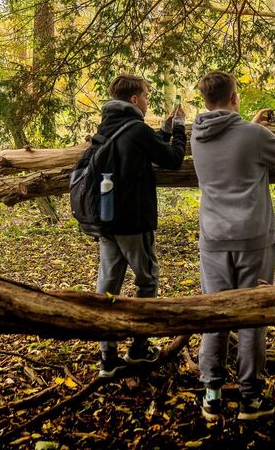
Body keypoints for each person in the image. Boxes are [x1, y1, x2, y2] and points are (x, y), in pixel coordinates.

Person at [190, 70, 275, 422]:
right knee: (253, 318)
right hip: (254, 239)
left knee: (216, 316)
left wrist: (250, 126)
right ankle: (251, 399)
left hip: (213, 240)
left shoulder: (196, 136)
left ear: (206, 100)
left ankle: (211, 395)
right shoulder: (254, 135)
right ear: (234, 97)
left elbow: (230, 139)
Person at [94, 74, 187, 378]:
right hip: (134, 222)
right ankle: (138, 348)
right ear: (134, 100)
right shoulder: (135, 129)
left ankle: (107, 358)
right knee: (147, 281)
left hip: (106, 220)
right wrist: (181, 130)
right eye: (146, 95)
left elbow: (143, 146)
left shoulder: (107, 127)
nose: (148, 100)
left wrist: (165, 129)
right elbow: (172, 158)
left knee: (107, 286)